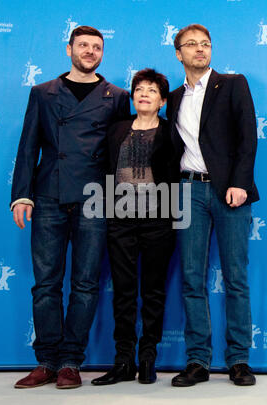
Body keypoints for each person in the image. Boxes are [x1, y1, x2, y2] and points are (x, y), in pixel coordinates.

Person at [11, 26, 130, 389]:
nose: (90, 51)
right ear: (69, 49)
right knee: (46, 284)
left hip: (95, 198)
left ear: (102, 53)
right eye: (83, 46)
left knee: (85, 283)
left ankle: (70, 362)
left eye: (97, 47)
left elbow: (121, 154)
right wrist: (21, 194)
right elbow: (28, 145)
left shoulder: (117, 96)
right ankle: (46, 360)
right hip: (48, 195)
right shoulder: (43, 93)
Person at [167, 24, 259, 387]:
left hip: (228, 192)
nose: (200, 50)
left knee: (236, 277)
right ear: (179, 53)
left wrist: (239, 182)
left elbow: (248, 136)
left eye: (205, 44)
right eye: (192, 45)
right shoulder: (173, 98)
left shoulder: (233, 84)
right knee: (192, 278)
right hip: (188, 191)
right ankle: (197, 361)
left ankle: (238, 359)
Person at [92, 69, 176, 385]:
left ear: (163, 101)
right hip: (120, 220)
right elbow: (103, 168)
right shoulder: (116, 129)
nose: (144, 94)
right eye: (139, 89)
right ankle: (123, 361)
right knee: (123, 293)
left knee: (153, 291)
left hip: (159, 219)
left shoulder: (171, 132)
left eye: (152, 90)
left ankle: (147, 358)